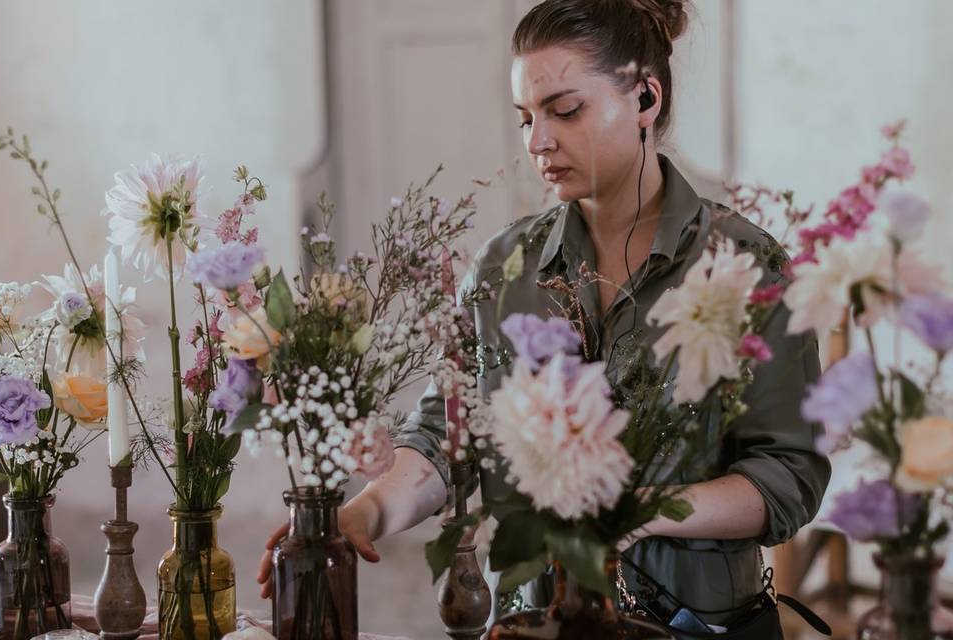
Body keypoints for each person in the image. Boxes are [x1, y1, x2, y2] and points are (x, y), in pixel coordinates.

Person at [258, 0, 830, 629]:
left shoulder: (743, 265)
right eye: (526, 117)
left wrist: (642, 512)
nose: (537, 141)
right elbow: (447, 436)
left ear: (645, 98)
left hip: (695, 625)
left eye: (565, 110)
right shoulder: (505, 268)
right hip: (532, 623)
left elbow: (788, 474)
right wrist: (360, 514)